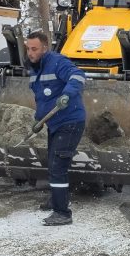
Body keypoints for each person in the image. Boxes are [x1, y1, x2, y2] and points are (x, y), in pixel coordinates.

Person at [25, 30, 86, 226]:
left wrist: (67, 94)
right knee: (54, 164)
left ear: (44, 48)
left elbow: (78, 75)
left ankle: (63, 212)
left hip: (70, 121)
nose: (30, 53)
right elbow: (42, 99)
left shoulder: (58, 62)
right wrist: (38, 120)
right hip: (54, 123)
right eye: (28, 49)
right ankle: (57, 199)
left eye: (34, 49)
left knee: (57, 166)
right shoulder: (34, 71)